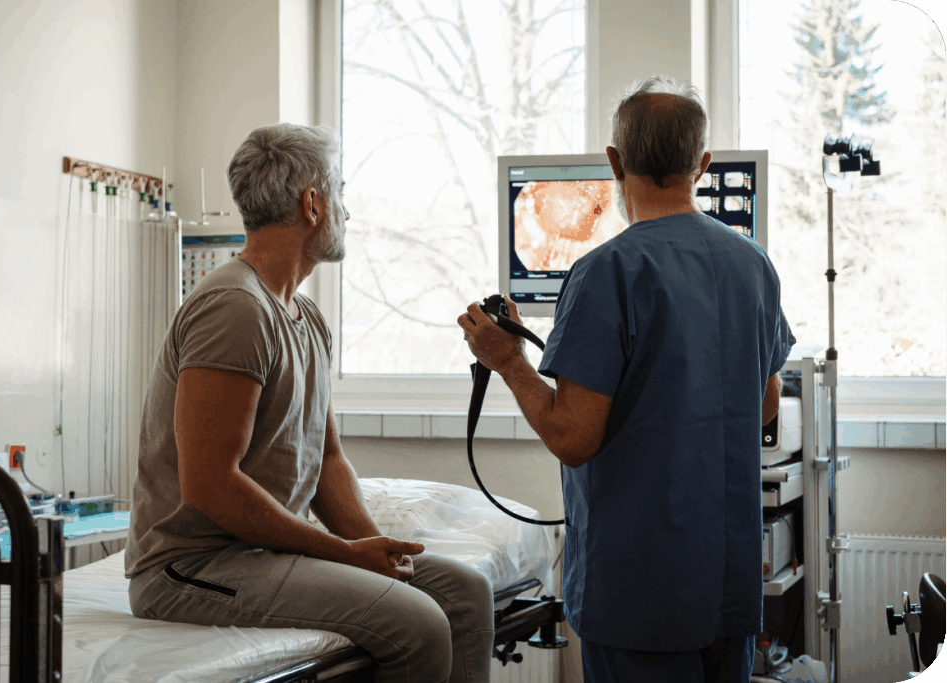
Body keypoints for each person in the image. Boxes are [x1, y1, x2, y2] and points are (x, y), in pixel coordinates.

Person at [125, 123, 495, 683]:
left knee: (465, 593)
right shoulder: (235, 309)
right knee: (420, 623)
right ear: (314, 204)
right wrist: (344, 556)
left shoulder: (305, 318)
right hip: (190, 567)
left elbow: (325, 461)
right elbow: (210, 485)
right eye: (341, 194)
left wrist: (374, 552)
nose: (349, 211)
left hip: (260, 555)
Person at [458, 76, 795, 683]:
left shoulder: (605, 272)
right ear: (703, 164)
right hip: (728, 585)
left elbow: (573, 437)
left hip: (640, 595)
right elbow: (766, 408)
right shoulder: (753, 263)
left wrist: (508, 361)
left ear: (614, 161)